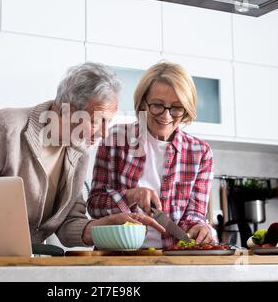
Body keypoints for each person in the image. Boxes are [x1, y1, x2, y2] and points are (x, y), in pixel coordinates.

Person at [0, 62, 165, 248]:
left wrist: (106, 226)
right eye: (97, 121)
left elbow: (68, 224)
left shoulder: (78, 151)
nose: (104, 134)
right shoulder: (5, 129)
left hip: (24, 264)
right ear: (66, 108)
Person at [88, 62, 216, 248]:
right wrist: (131, 196)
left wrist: (199, 227)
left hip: (173, 258)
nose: (166, 116)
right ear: (142, 103)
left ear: (186, 109)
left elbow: (194, 215)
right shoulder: (115, 139)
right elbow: (94, 206)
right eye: (157, 105)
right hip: (118, 256)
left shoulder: (200, 153)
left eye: (176, 108)